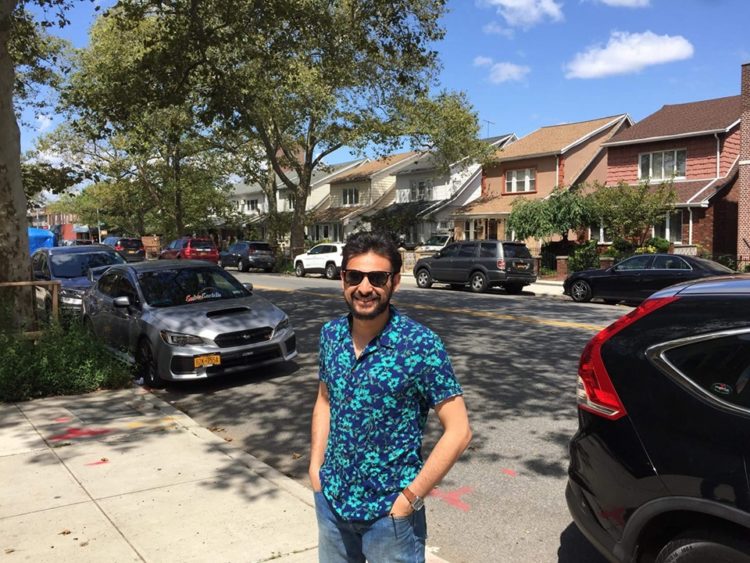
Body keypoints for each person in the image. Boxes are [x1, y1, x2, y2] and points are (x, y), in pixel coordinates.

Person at [309, 231, 472, 563]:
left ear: (395, 282)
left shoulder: (420, 345)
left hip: (390, 518)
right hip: (332, 505)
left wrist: (409, 499)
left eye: (377, 277)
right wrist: (316, 468)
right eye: (355, 276)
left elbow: (459, 430)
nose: (365, 287)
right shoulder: (331, 335)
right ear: (343, 279)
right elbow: (325, 400)